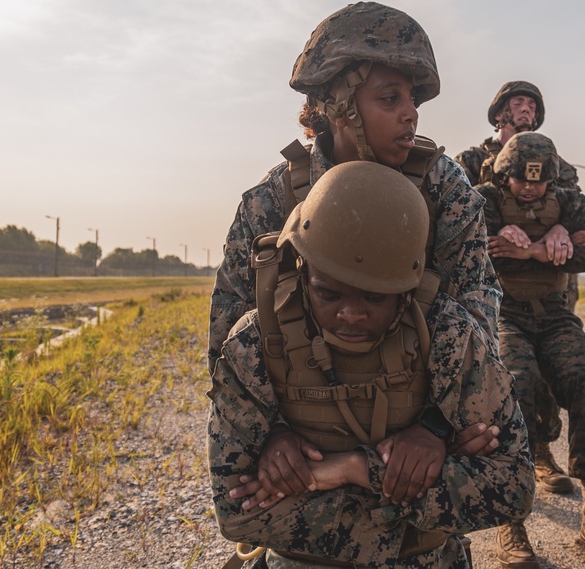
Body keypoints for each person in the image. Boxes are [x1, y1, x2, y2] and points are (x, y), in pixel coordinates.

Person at [208, 162, 534, 568]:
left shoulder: (448, 333)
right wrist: (436, 472)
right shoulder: (255, 341)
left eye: (375, 298)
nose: (350, 315)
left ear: (408, 287)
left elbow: (514, 489)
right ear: (302, 272)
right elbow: (237, 513)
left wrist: (351, 469)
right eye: (328, 294)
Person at [209, 1, 500, 376]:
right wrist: (273, 434)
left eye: (413, 98)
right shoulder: (273, 199)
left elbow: (479, 313)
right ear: (337, 106)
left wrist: (439, 429)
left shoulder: (444, 189)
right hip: (298, 411)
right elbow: (228, 336)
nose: (411, 113)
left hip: (417, 410)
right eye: (389, 98)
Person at [475, 132, 585, 568]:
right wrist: (547, 244)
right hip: (506, 314)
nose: (530, 189)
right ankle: (511, 523)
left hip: (556, 314)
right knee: (514, 390)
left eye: (540, 181)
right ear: (504, 174)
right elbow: (478, 252)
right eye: (522, 181)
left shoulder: (569, 201)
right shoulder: (485, 198)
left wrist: (536, 250)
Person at [454, 81, 577, 496]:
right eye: (517, 103)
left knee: (548, 371)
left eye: (531, 104)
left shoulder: (552, 159)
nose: (525, 109)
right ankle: (501, 459)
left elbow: (572, 204)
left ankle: (539, 452)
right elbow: (457, 205)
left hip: (549, 285)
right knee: (500, 374)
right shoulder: (473, 160)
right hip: (491, 284)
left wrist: (560, 225)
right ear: (500, 114)